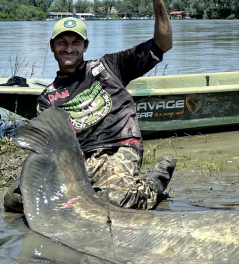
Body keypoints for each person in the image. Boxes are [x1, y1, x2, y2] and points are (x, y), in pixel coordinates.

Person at [4, 1, 176, 213]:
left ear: (85, 46)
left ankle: (156, 180)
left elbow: (163, 44)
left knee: (116, 202)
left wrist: (158, 3)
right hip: (79, 159)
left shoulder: (109, 66)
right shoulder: (47, 98)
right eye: (62, 42)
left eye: (76, 42)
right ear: (52, 47)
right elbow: (53, 147)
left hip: (118, 147)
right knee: (15, 199)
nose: (69, 48)